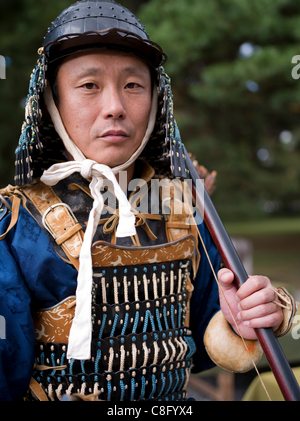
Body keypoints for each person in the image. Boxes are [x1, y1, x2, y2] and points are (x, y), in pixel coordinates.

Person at [0, 0, 296, 402]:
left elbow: (198, 339)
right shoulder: (17, 225)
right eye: (89, 86)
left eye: (133, 85)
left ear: (155, 100)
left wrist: (240, 320)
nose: (115, 108)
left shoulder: (183, 207)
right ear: (53, 103)